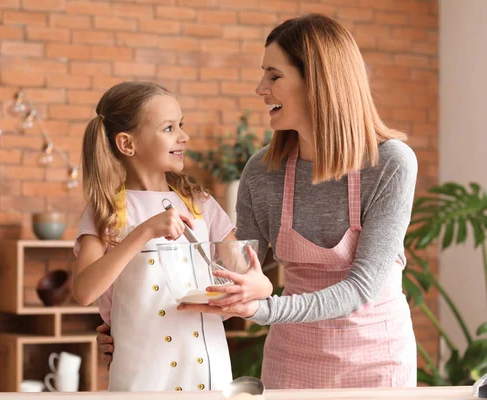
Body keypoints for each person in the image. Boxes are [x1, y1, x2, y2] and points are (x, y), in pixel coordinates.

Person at [96, 14, 419, 389]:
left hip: (376, 360)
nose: (260, 88)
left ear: (318, 80)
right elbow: (231, 272)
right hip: (292, 357)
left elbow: (361, 288)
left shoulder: (391, 164)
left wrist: (261, 309)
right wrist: (131, 325)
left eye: (274, 76)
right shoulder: (263, 171)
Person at [73, 81, 270, 392]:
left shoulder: (200, 201)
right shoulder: (107, 210)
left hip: (208, 370)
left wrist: (261, 285)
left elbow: (245, 271)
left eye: (181, 125)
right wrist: (145, 231)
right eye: (168, 128)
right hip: (143, 375)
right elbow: (84, 291)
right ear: (127, 144)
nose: (183, 136)